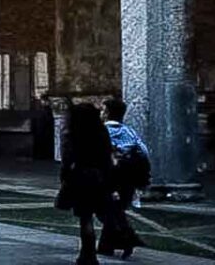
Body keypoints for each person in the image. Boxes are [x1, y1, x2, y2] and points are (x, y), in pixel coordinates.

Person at [55, 102, 114, 265]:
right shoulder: (101, 132)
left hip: (80, 176)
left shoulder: (73, 133)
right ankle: (102, 245)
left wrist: (65, 177)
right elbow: (107, 156)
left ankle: (87, 253)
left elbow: (67, 159)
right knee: (101, 212)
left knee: (85, 218)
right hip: (99, 176)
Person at [99, 97, 147, 259]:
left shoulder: (100, 131)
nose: (101, 112)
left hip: (107, 176)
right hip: (128, 177)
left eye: (102, 110)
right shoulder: (129, 132)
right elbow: (143, 152)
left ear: (106, 113)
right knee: (116, 208)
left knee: (106, 211)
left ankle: (128, 237)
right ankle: (106, 246)